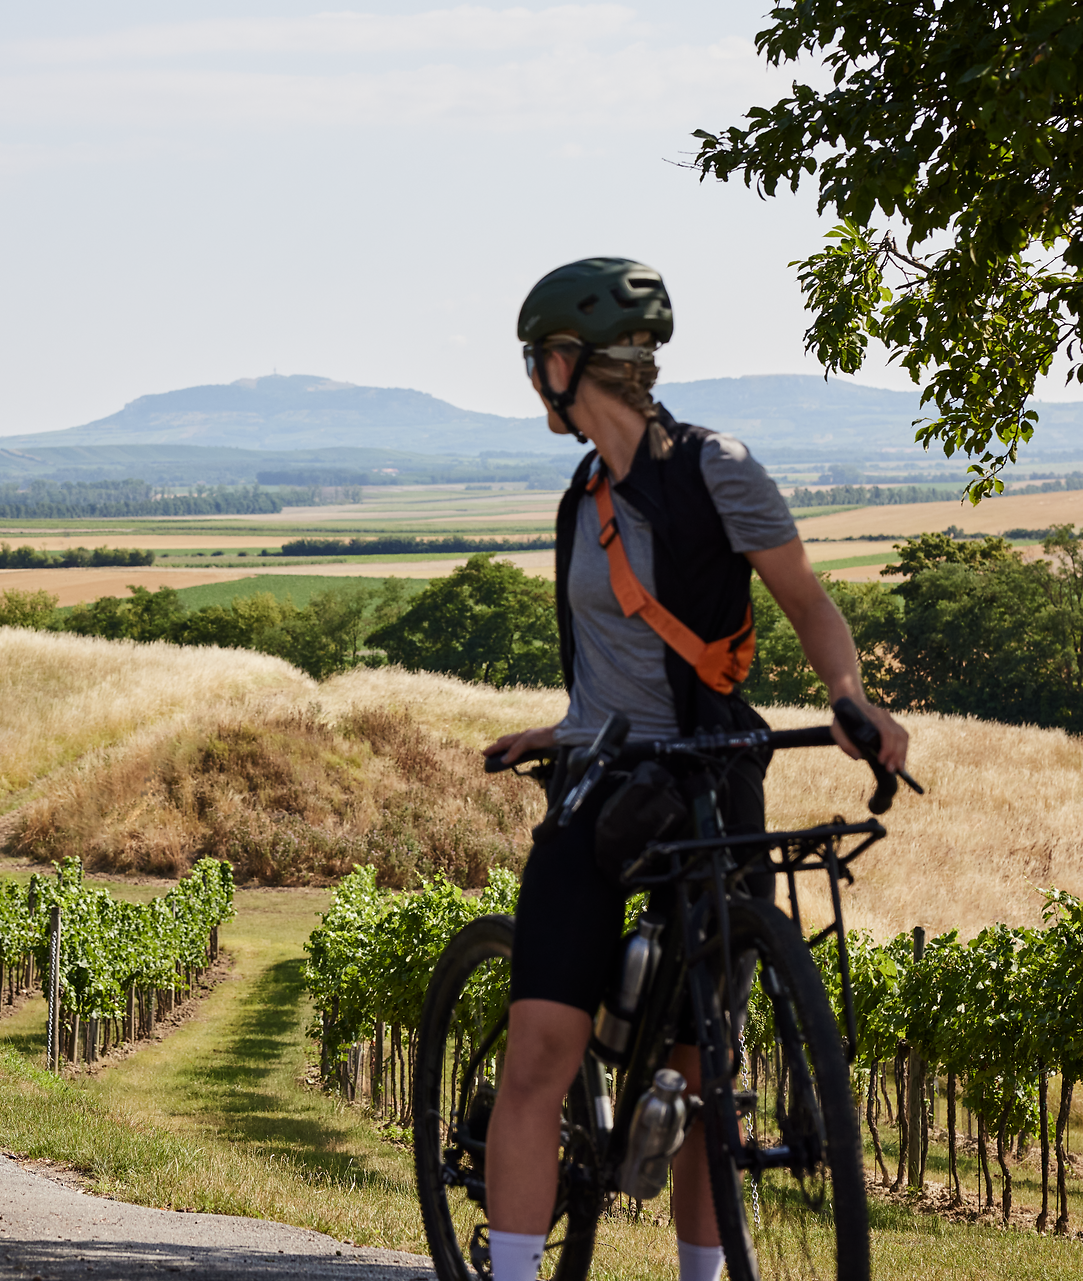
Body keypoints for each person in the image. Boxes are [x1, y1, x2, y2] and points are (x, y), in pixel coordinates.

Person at [481, 258, 909, 1281]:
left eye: (538, 361)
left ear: (563, 362)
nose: (537, 380)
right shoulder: (581, 499)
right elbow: (609, 666)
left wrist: (848, 696)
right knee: (541, 1045)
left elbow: (807, 602)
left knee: (704, 1067)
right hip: (599, 785)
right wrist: (565, 728)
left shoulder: (718, 467)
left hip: (712, 782)